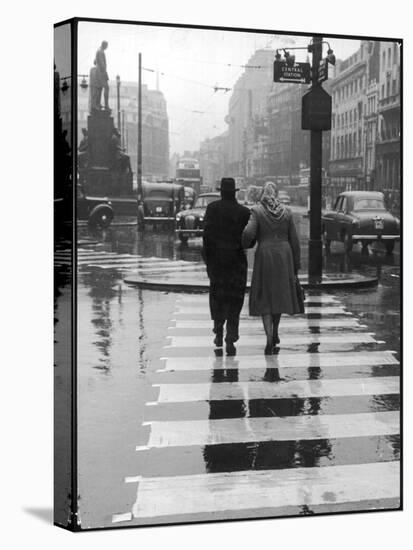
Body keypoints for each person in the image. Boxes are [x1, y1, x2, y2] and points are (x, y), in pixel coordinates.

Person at [242, 181, 301, 355]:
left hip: (265, 255)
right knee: (279, 295)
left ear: (263, 195)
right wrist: (296, 265)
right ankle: (275, 331)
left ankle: (269, 338)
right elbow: (295, 241)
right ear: (276, 194)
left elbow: (248, 233)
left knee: (266, 297)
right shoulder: (287, 212)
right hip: (284, 256)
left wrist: (246, 244)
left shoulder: (257, 211)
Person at [202, 178, 250, 356]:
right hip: (236, 261)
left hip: (217, 261)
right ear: (234, 192)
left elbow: (206, 236)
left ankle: (218, 329)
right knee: (235, 298)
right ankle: (231, 333)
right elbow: (249, 239)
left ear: (221, 192)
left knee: (218, 296)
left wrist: (208, 259)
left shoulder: (212, 209)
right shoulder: (244, 212)